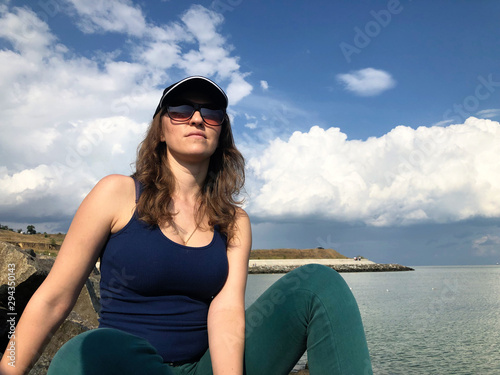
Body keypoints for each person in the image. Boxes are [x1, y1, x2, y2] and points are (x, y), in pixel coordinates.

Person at [0, 76, 373, 375]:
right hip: (125, 363)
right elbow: (54, 298)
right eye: (180, 109)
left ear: (221, 131)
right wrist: (9, 366)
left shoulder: (234, 221)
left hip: (204, 367)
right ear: (160, 129)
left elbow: (227, 314)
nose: (197, 118)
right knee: (85, 350)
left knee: (319, 284)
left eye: (211, 112)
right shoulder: (116, 193)